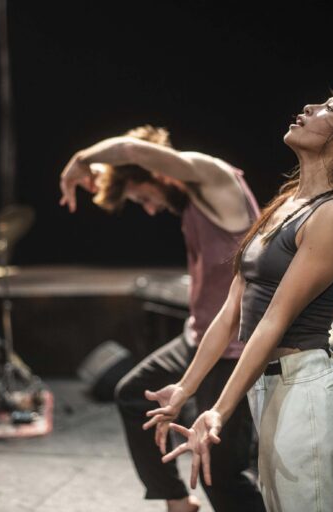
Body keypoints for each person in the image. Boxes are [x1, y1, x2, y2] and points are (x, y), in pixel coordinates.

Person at [144, 79, 333, 511]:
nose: (309, 106)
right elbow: (232, 310)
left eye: (330, 107)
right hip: (271, 392)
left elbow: (273, 320)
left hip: (307, 393)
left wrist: (219, 411)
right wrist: (186, 389)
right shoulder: (286, 202)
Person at [59, 125, 266, 512]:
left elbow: (127, 149)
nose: (150, 209)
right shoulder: (190, 202)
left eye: (143, 197)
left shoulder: (214, 178)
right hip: (199, 337)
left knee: (221, 474)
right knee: (133, 394)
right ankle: (176, 500)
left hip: (233, 347)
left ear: (155, 172)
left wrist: (81, 161)